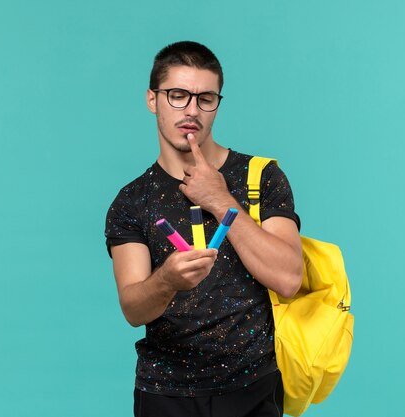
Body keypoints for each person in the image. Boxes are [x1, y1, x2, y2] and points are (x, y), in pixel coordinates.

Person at [105, 41, 303, 417]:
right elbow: (133, 309)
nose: (192, 110)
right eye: (178, 96)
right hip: (165, 395)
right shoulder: (131, 201)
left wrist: (220, 198)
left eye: (205, 98)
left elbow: (289, 278)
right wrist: (166, 280)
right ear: (153, 100)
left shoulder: (261, 177)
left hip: (254, 387)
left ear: (217, 104)